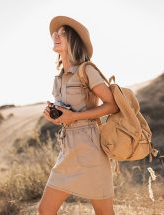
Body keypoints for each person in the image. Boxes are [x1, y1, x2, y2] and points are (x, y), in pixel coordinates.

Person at [38, 15, 119, 215]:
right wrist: (54, 116)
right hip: (67, 149)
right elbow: (66, 115)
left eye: (63, 34)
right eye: (55, 34)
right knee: (45, 210)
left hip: (91, 147)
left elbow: (113, 105)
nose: (56, 36)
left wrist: (74, 117)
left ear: (74, 41)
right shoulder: (58, 78)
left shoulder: (87, 70)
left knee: (104, 213)